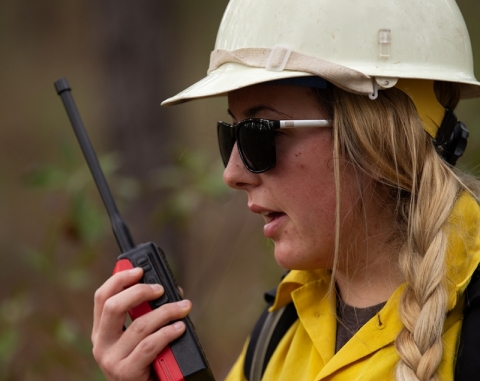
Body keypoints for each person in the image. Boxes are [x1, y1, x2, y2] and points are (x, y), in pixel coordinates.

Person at [91, 0, 480, 380]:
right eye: (230, 136)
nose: (232, 173)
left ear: (376, 140)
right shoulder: (281, 326)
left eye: (258, 133)